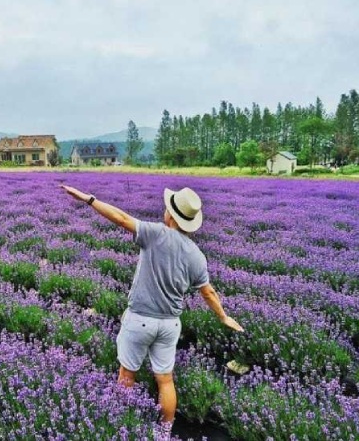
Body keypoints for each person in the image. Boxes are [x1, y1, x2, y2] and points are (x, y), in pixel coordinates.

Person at [60, 184, 244, 437]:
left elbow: (122, 218)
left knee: (127, 374)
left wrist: (89, 199)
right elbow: (208, 292)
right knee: (165, 380)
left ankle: (122, 426)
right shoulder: (197, 256)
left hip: (140, 320)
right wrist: (223, 316)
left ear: (171, 215)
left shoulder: (156, 234)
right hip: (170, 324)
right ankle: (164, 434)